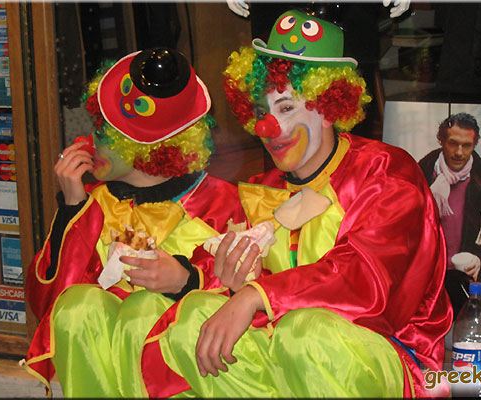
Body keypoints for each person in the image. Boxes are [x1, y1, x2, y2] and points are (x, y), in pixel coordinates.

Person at [135, 10, 453, 398]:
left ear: (329, 106)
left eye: (286, 108)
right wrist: (196, 279)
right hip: (286, 348)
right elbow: (218, 261)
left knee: (305, 334)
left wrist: (257, 294)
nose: (267, 128)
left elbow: (364, 279)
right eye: (261, 112)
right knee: (192, 320)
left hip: (392, 353)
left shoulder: (387, 174)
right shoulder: (261, 190)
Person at [20, 47, 246, 396]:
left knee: (145, 309)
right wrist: (72, 208)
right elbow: (47, 304)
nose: (89, 143)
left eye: (104, 135)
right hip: (102, 378)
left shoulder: (220, 203)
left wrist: (186, 280)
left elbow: (250, 293)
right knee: (77, 307)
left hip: (187, 376)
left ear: (143, 148)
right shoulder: (92, 203)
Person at [419, 113, 481, 318]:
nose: (459, 152)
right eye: (453, 143)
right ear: (441, 140)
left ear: (475, 144)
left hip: (461, 284)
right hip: (423, 282)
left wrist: (479, 259)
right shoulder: (419, 176)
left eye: (467, 145)